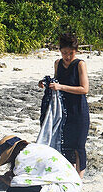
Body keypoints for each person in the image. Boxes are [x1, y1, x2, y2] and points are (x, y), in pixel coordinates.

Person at [0, 134, 82, 192]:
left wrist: (5, 180)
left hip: (65, 189)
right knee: (29, 184)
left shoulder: (21, 157)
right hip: (73, 184)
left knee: (16, 189)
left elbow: (18, 182)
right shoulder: (33, 148)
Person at [38, 32, 89, 177]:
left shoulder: (80, 64)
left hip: (78, 110)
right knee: (65, 145)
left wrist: (61, 87)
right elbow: (56, 81)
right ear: (60, 51)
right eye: (64, 53)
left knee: (79, 146)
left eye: (71, 53)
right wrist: (44, 84)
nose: (67, 57)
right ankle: (69, 177)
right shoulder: (57, 63)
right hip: (63, 111)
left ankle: (79, 180)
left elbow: (84, 89)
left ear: (76, 51)